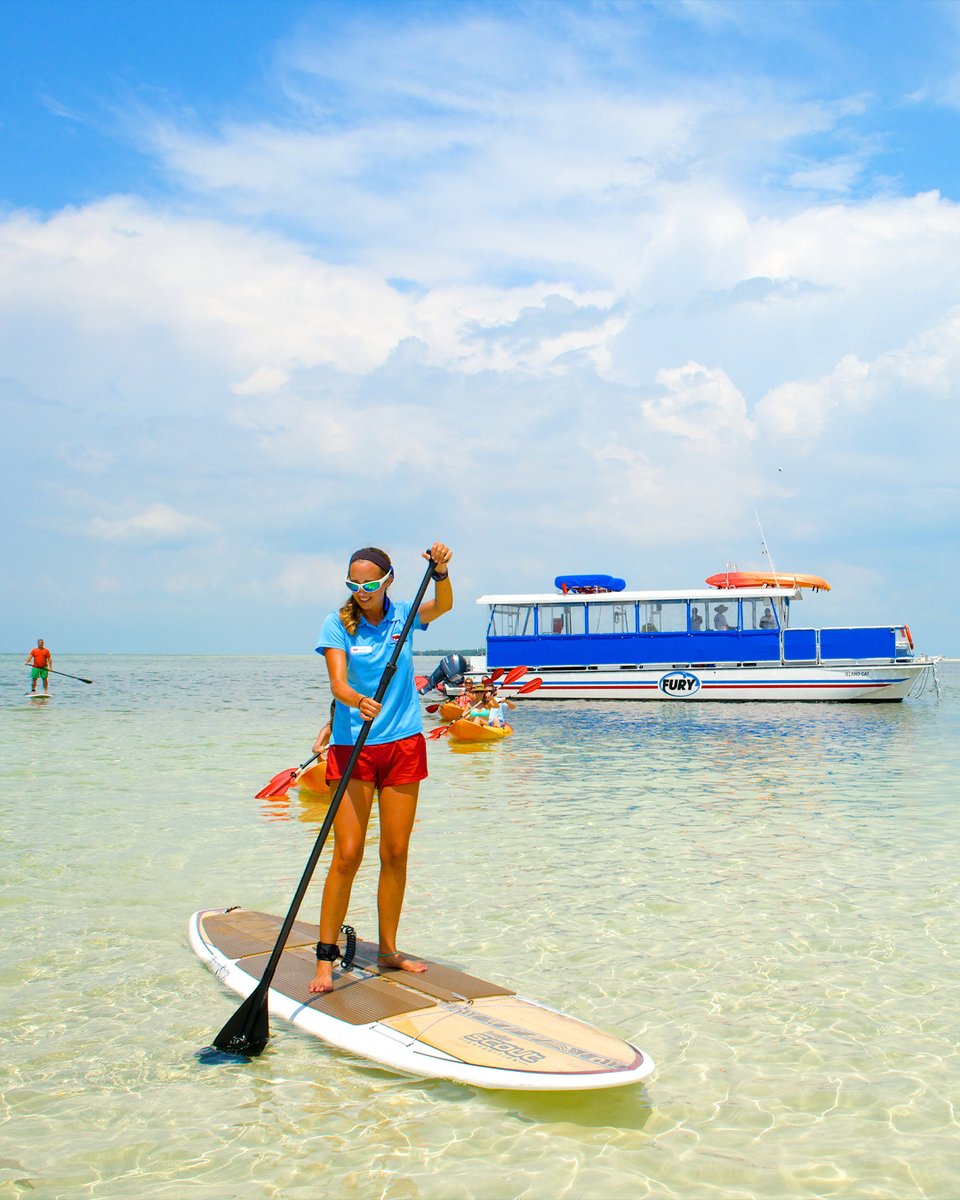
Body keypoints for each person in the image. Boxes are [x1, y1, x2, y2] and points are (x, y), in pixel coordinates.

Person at [309, 542, 453, 995]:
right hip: (354, 747)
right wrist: (355, 700)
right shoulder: (337, 623)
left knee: (395, 852)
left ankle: (388, 950)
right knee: (347, 854)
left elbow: (444, 605)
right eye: (353, 583)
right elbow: (337, 682)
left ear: (388, 580)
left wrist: (442, 572)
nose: (361, 590)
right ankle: (324, 958)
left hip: (404, 745)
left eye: (369, 583)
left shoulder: (404, 617)